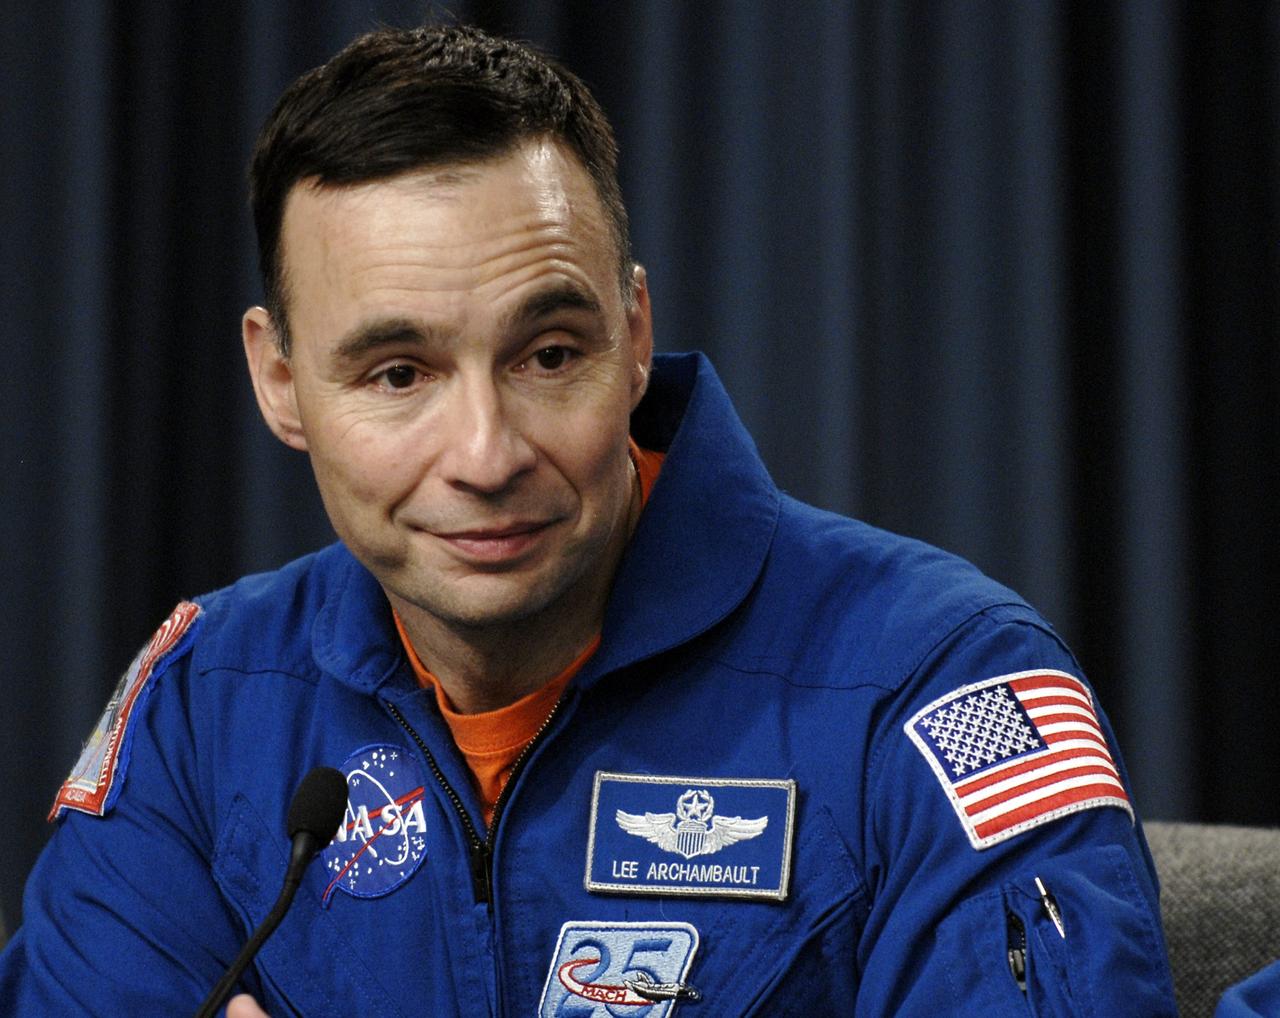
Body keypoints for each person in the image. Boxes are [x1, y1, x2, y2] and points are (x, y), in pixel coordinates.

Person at [0, 23, 1177, 1016]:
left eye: (547, 353)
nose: (486, 454)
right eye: (397, 373)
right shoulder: (204, 706)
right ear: (278, 380)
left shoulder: (936, 685)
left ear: (631, 336)